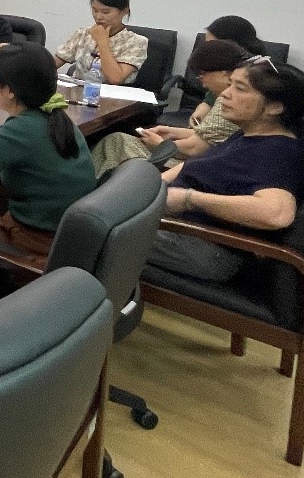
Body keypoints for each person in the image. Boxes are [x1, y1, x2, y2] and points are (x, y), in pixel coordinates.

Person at [148, 57, 304, 281]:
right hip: (181, 228)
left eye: (240, 88)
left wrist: (189, 198)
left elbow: (277, 214)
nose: (224, 94)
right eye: (230, 84)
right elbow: (196, 165)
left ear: (275, 107)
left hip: (205, 248)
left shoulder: (278, 152)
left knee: (97, 230)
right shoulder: (249, 133)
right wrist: (155, 183)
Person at [0, 43, 97, 256]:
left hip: (36, 240)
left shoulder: (20, 130)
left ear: (9, 91)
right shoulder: (56, 116)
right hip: (69, 235)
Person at [91, 39, 245, 178]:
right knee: (116, 139)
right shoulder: (233, 98)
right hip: (201, 160)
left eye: (202, 75)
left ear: (223, 73)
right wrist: (171, 131)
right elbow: (210, 136)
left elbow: (194, 149)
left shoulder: (228, 102)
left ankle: (96, 190)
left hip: (193, 167)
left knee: (115, 144)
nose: (202, 83)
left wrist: (159, 144)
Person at [53, 0, 148, 85]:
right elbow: (55, 63)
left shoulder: (136, 42)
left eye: (105, 12)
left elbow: (115, 78)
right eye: (95, 11)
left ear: (124, 11)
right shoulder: (83, 34)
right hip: (77, 90)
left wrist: (102, 42)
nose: (98, 17)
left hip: (113, 93)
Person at [185, 16, 266, 127]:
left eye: (212, 44)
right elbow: (210, 99)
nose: (207, 48)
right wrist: (199, 113)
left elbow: (203, 138)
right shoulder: (228, 65)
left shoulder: (255, 74)